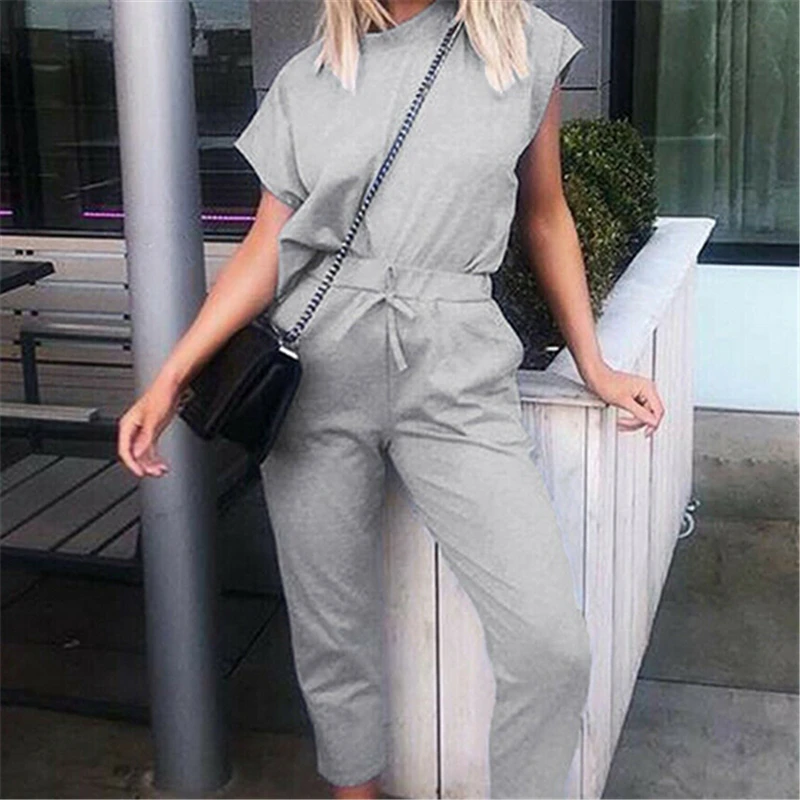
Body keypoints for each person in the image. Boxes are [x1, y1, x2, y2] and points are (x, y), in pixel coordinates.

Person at [117, 1, 665, 797]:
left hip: (458, 372)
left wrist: (596, 366)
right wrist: (171, 377)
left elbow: (546, 216)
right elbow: (267, 247)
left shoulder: (521, 45)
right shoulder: (307, 79)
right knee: (331, 628)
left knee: (550, 645)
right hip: (316, 376)